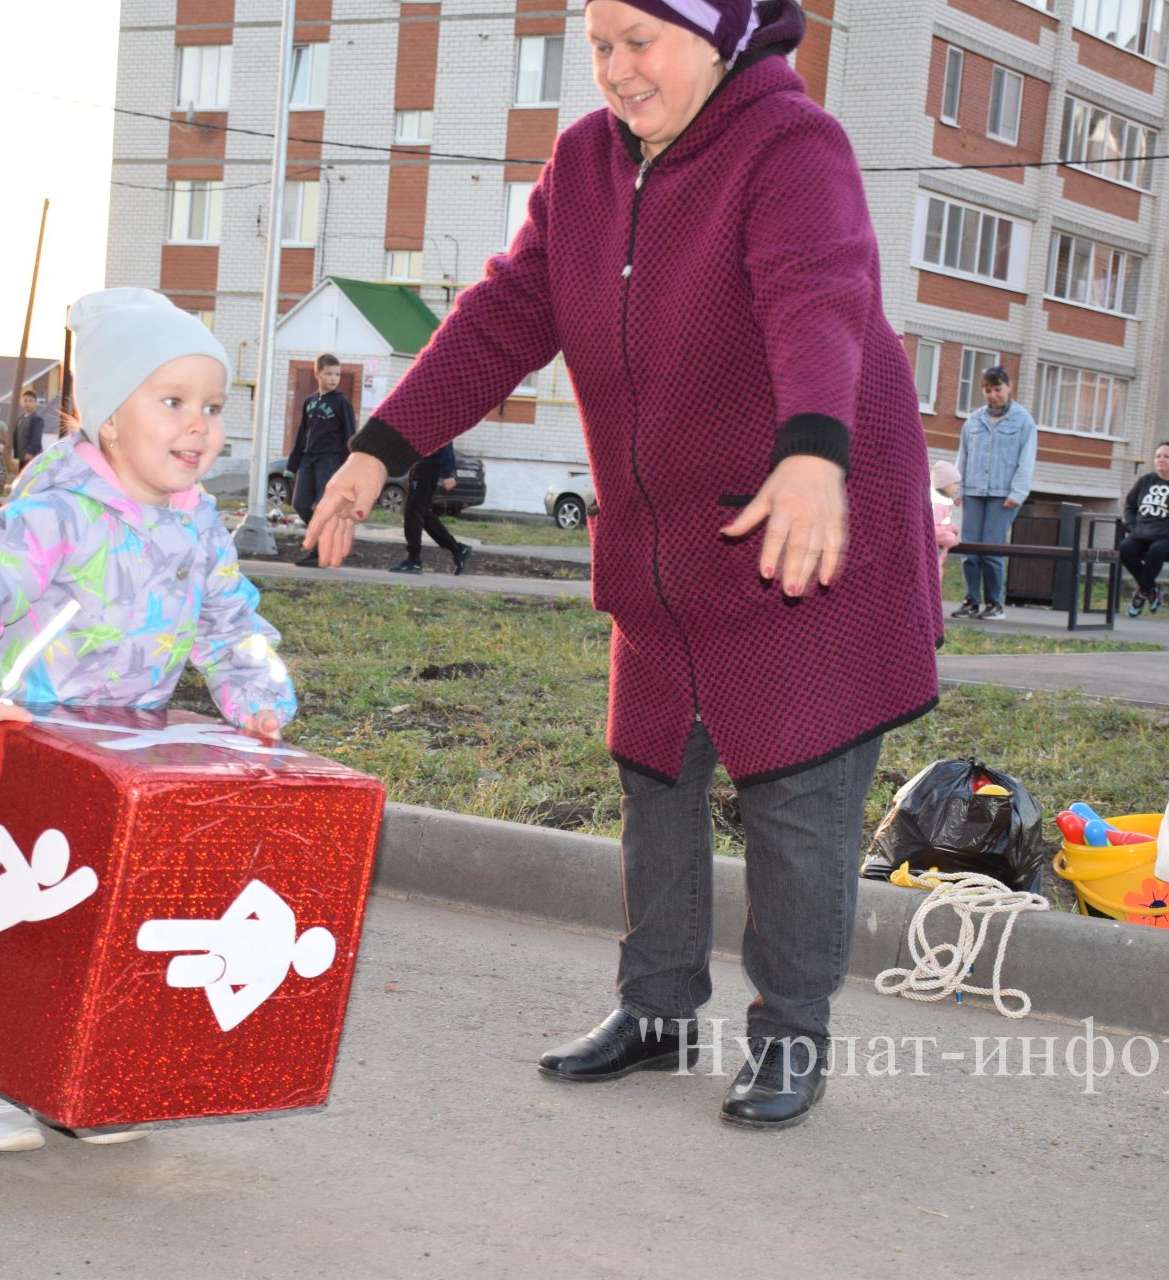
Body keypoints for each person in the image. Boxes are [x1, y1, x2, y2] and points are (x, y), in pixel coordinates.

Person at [304, 0, 942, 1131]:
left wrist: (811, 453)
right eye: (598, 44)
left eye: (639, 41)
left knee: (797, 799)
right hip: (668, 552)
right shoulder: (588, 164)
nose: (615, 70)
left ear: (718, 34)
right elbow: (504, 314)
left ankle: (792, 1035)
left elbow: (820, 293)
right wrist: (377, 449)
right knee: (655, 772)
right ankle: (657, 1012)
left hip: (800, 525)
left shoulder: (790, 147)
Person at [0, 287, 297, 1152]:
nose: (197, 425)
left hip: (114, 758)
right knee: (11, 924)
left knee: (100, 920)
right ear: (107, 420)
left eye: (211, 406)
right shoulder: (56, 512)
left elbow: (231, 624)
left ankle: (77, 1081)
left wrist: (259, 701)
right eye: (171, 402)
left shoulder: (199, 529)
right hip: (10, 748)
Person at [950, 365, 1036, 622]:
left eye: (997, 389)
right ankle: (971, 601)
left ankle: (995, 604)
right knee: (969, 548)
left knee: (991, 548)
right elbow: (962, 455)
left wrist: (1017, 493)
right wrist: (958, 488)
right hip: (975, 491)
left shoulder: (1023, 421)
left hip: (1003, 495)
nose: (993, 395)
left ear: (1009, 387)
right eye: (987, 390)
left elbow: (1027, 460)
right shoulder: (974, 420)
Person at [288, 353, 355, 567]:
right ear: (317, 374)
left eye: (337, 374)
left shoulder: (341, 402)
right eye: (328, 374)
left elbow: (350, 435)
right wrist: (292, 465)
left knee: (323, 507)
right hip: (308, 460)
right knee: (300, 504)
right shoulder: (309, 401)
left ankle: (320, 553)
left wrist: (348, 467)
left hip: (330, 460)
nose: (334, 378)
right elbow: (301, 435)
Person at [1119, 442, 1169, 617]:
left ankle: (1141, 593)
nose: (1161, 460)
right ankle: (1152, 588)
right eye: (1158, 456)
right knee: (1125, 548)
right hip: (1143, 533)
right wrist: (1133, 527)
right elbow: (1130, 507)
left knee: (1156, 550)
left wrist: (1164, 531)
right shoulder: (1145, 481)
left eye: (1167, 456)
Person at [390, 441, 472, 574]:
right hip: (423, 465)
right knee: (423, 513)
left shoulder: (441, 421)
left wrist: (448, 473)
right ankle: (457, 549)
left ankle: (414, 560)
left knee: (413, 512)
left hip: (429, 467)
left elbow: (447, 441)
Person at [930, 458, 961, 576]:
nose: (958, 487)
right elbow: (935, 530)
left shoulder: (942, 503)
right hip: (932, 558)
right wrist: (951, 538)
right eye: (955, 483)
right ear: (943, 484)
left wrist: (952, 528)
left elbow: (942, 524)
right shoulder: (939, 505)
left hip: (935, 559)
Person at [11, 387, 46, 470]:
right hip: (22, 456)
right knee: (21, 477)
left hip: (32, 456)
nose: (27, 403)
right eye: (25, 400)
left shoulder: (37, 419)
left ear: (36, 403)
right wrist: (15, 452)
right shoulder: (20, 419)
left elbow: (36, 438)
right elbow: (17, 436)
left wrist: (30, 452)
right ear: (21, 402)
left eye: (31, 401)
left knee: (31, 480)